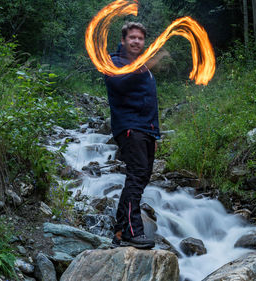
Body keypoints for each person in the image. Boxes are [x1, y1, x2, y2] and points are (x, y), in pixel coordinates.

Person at [105, 22, 159, 249]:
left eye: (140, 38)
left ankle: (120, 228)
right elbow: (121, 82)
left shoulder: (144, 67)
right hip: (129, 127)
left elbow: (151, 102)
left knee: (142, 177)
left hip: (146, 129)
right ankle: (132, 231)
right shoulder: (114, 62)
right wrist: (141, 66)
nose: (136, 41)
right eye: (132, 38)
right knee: (136, 176)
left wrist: (155, 134)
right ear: (124, 40)